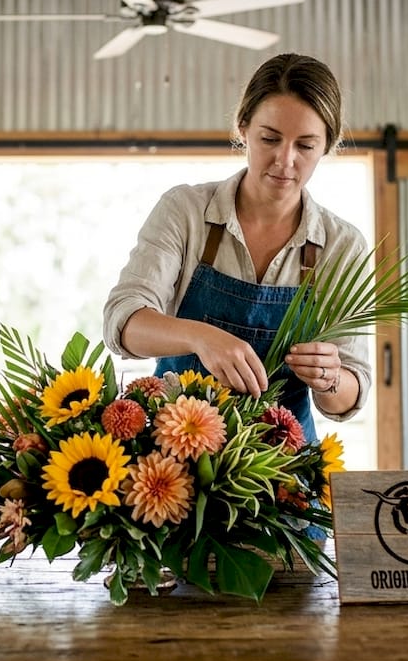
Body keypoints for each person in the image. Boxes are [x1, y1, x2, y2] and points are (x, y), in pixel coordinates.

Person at [103, 53, 371, 445]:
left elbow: (346, 397)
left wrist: (328, 376)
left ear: (327, 146)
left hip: (281, 473)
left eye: (306, 145)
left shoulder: (342, 245)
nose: (285, 160)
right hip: (174, 458)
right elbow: (123, 322)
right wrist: (201, 338)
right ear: (243, 128)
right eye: (270, 138)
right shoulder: (186, 211)